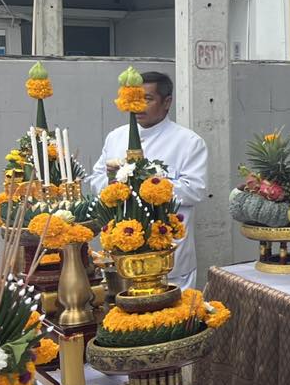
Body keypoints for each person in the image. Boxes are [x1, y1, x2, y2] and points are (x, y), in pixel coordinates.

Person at [89, 71, 208, 289]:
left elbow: (195, 190)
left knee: (172, 309)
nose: (138, 106)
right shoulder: (116, 137)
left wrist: (150, 184)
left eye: (147, 99)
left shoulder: (188, 141)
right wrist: (114, 182)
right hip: (123, 251)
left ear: (167, 102)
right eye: (135, 98)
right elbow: (96, 180)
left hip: (168, 255)